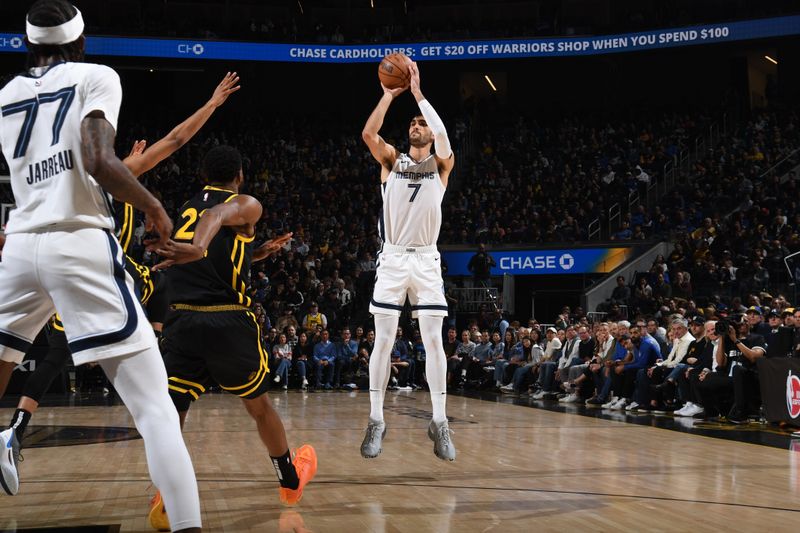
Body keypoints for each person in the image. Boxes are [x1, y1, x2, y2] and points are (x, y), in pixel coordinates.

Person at [0, 1, 202, 530]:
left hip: (19, 247)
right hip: (79, 241)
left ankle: (12, 431)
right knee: (155, 408)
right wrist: (155, 207)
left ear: (27, 45)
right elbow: (96, 157)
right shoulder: (96, 75)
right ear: (81, 42)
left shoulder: (5, 96)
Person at [152, 146, 316, 524]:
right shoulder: (246, 204)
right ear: (239, 175)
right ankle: (289, 481)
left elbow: (211, 247)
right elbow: (217, 216)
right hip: (227, 320)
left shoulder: (188, 206)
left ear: (203, 175)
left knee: (175, 410)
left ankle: (167, 497)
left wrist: (255, 254)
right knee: (258, 407)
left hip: (183, 322)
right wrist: (198, 247)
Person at [359, 59, 456, 461]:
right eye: (413, 122)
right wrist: (388, 95)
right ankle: (377, 420)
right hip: (394, 259)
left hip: (428, 261)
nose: (416, 125)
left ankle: (440, 420)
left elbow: (446, 137)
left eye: (422, 123)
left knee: (434, 340)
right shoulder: (392, 161)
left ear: (431, 133)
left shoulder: (442, 165)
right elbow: (368, 133)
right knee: (383, 339)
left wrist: (418, 93)